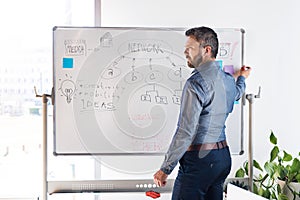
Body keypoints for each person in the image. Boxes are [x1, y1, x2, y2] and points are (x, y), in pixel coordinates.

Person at [153, 26, 251, 200]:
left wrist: (165, 169)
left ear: (207, 50)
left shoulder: (195, 84)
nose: (185, 52)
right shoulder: (228, 80)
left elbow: (185, 131)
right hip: (222, 159)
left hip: (200, 161)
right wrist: (242, 77)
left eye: (190, 48)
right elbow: (237, 92)